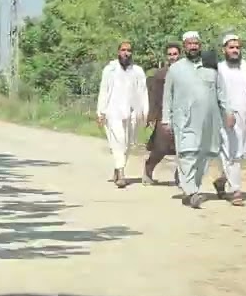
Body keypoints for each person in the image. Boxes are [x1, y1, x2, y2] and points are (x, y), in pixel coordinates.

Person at [160, 31, 229, 209]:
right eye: (189, 43)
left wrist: (228, 112)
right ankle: (190, 191)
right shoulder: (176, 69)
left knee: (203, 157)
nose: (193, 46)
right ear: (184, 47)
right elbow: (168, 96)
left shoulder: (211, 67)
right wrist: (166, 120)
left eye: (195, 43)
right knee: (187, 154)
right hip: (184, 120)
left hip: (208, 122)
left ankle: (192, 189)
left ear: (200, 45)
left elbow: (221, 92)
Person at [213, 33, 246, 206]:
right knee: (230, 153)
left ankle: (221, 181)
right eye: (231, 47)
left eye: (237, 47)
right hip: (226, 119)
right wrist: (225, 113)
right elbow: (215, 97)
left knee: (238, 155)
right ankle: (236, 191)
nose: (235, 50)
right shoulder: (218, 69)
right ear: (224, 49)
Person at [96, 40, 149, 188]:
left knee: (128, 144)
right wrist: (100, 112)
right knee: (118, 140)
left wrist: (145, 111)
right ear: (118, 52)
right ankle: (121, 173)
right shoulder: (110, 70)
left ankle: (118, 167)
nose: (126, 53)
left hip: (132, 112)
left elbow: (143, 92)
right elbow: (104, 91)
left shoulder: (138, 71)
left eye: (129, 50)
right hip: (113, 112)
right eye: (123, 50)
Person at [143, 42, 182, 185]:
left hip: (183, 115)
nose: (173, 57)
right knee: (161, 147)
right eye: (170, 54)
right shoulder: (160, 75)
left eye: (175, 54)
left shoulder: (187, 72)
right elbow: (154, 97)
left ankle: (181, 176)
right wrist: (152, 117)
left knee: (184, 148)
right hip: (163, 114)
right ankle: (148, 169)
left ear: (180, 54)